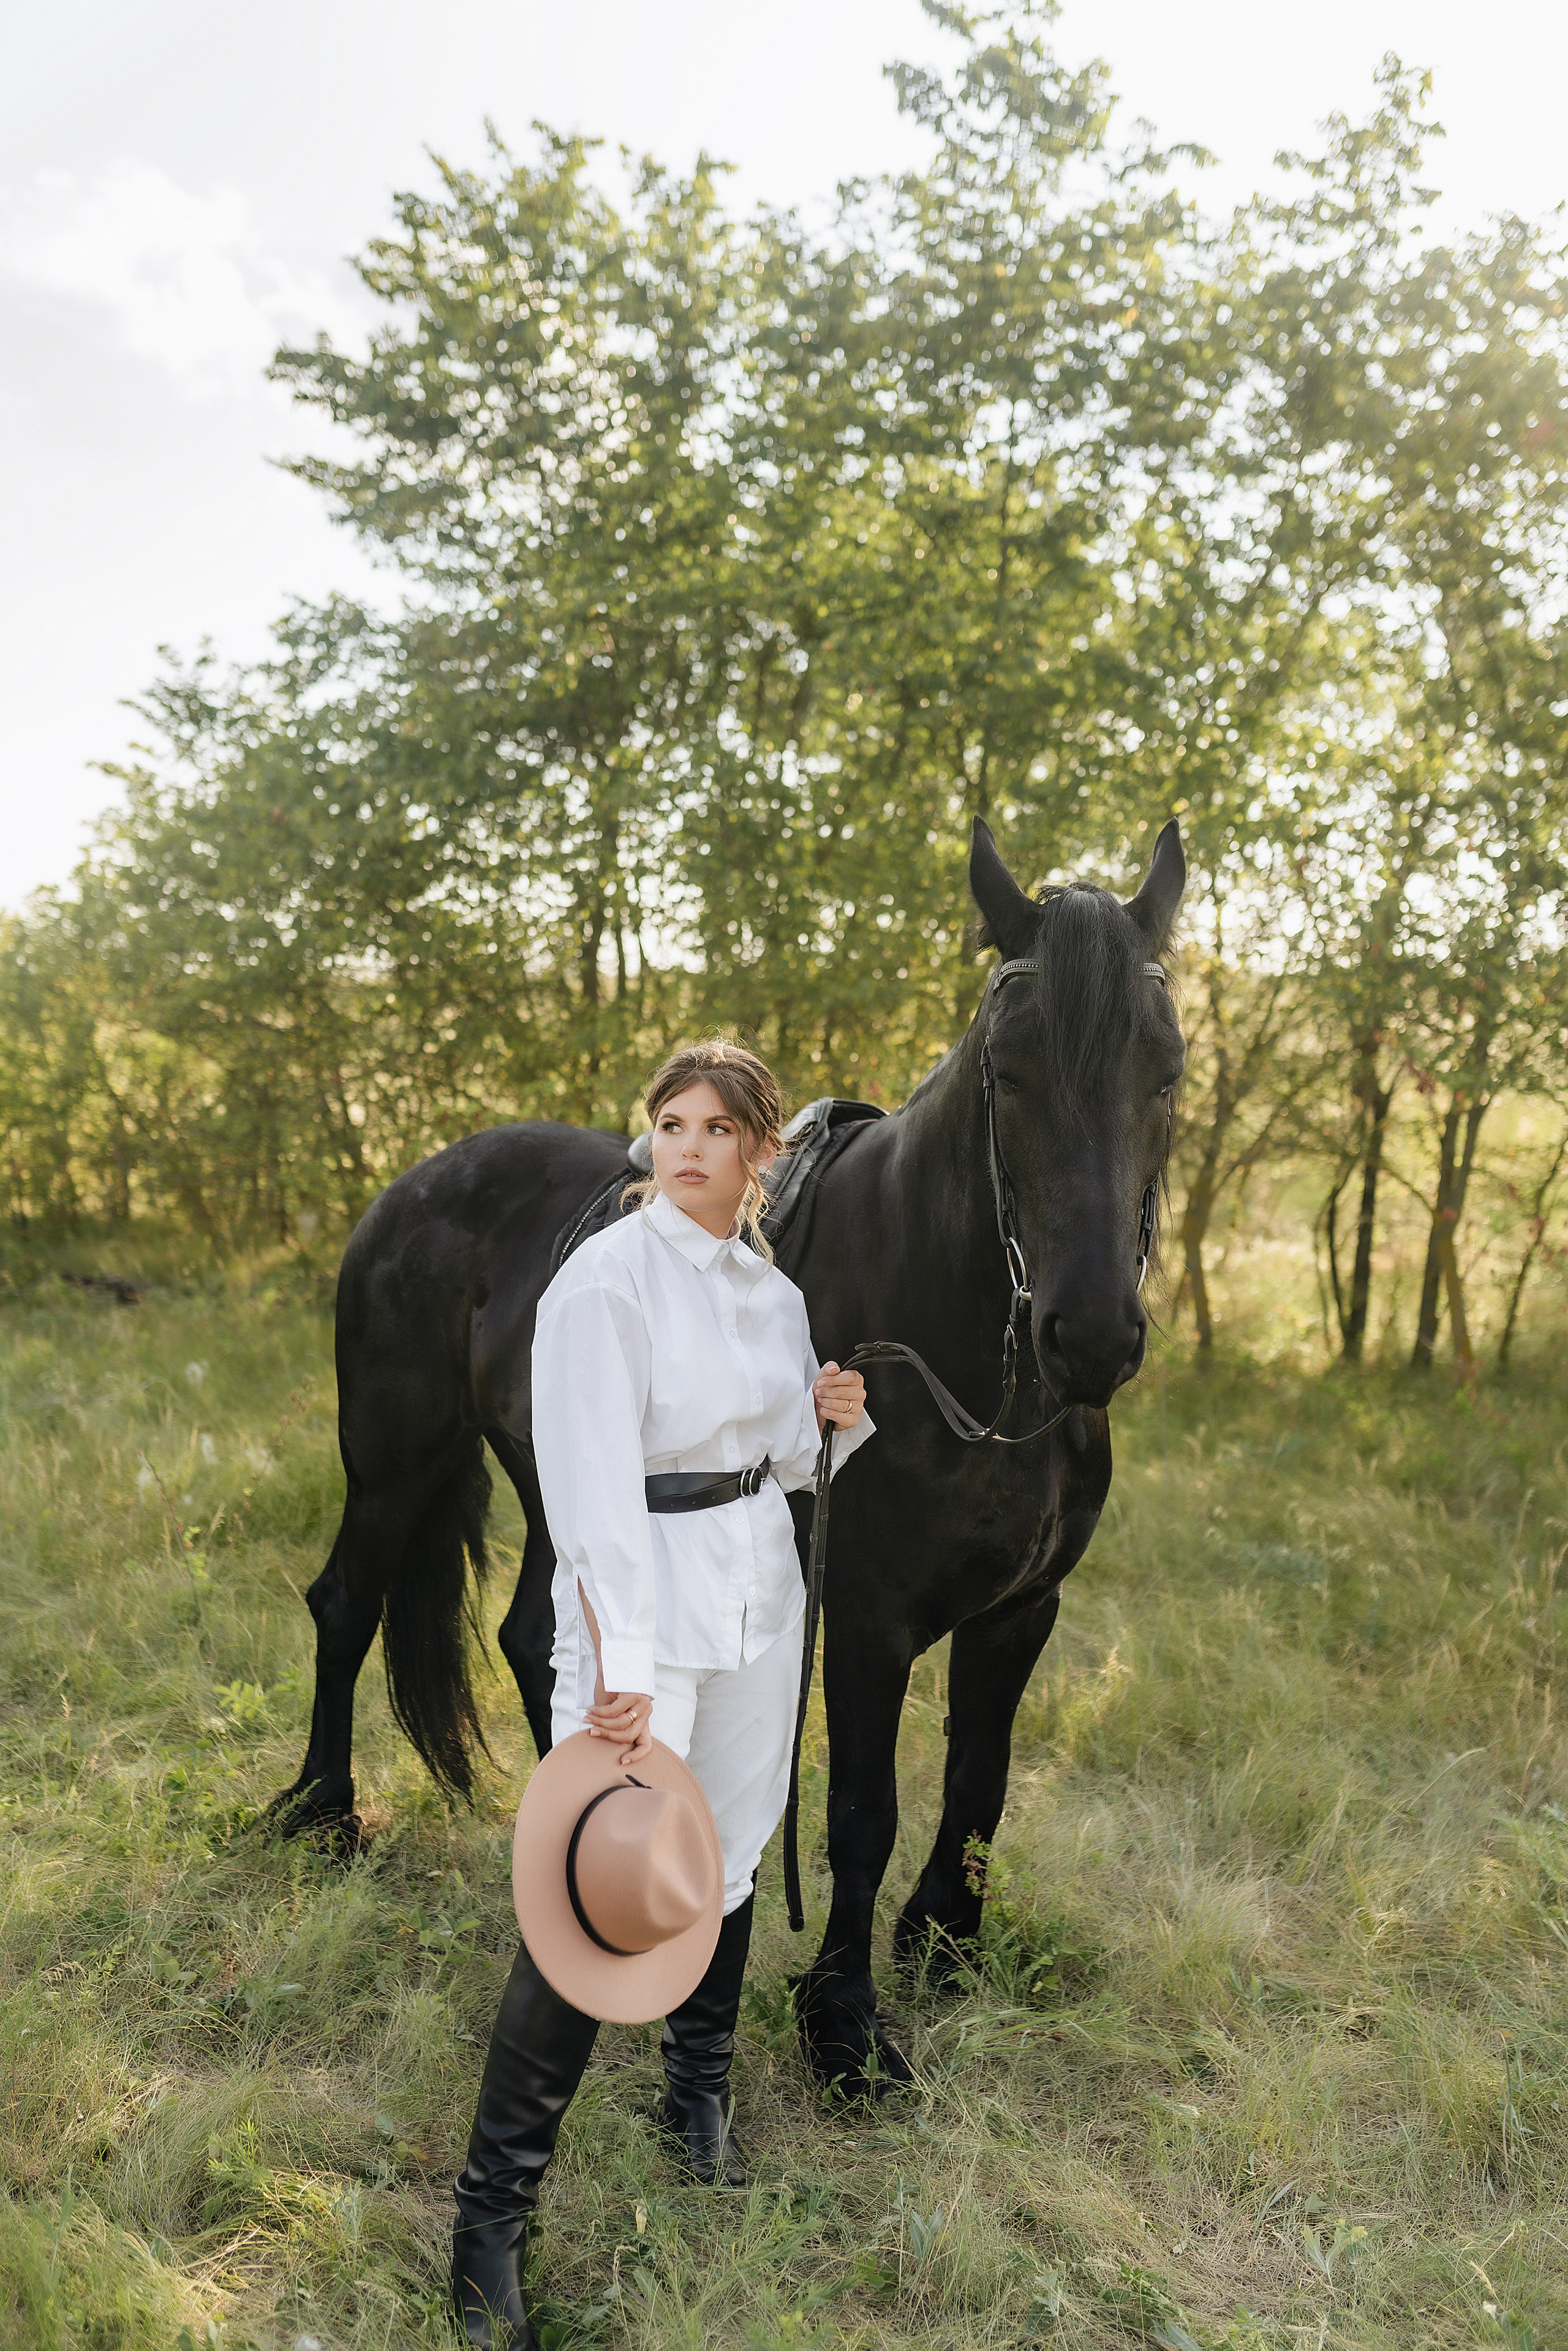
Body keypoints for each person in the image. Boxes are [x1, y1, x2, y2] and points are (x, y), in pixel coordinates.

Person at [452, 1038, 873, 2349]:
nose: (687, 1145)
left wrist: (833, 1415)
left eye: (716, 1127)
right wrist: (620, 1667)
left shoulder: (773, 1293)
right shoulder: (605, 1280)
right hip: (642, 1608)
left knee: (724, 1858)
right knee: (601, 1887)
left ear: (761, 1152)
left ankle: (696, 2100)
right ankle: (489, 2222)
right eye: (671, 1122)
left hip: (755, 1599)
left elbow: (786, 1463)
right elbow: (585, 1490)